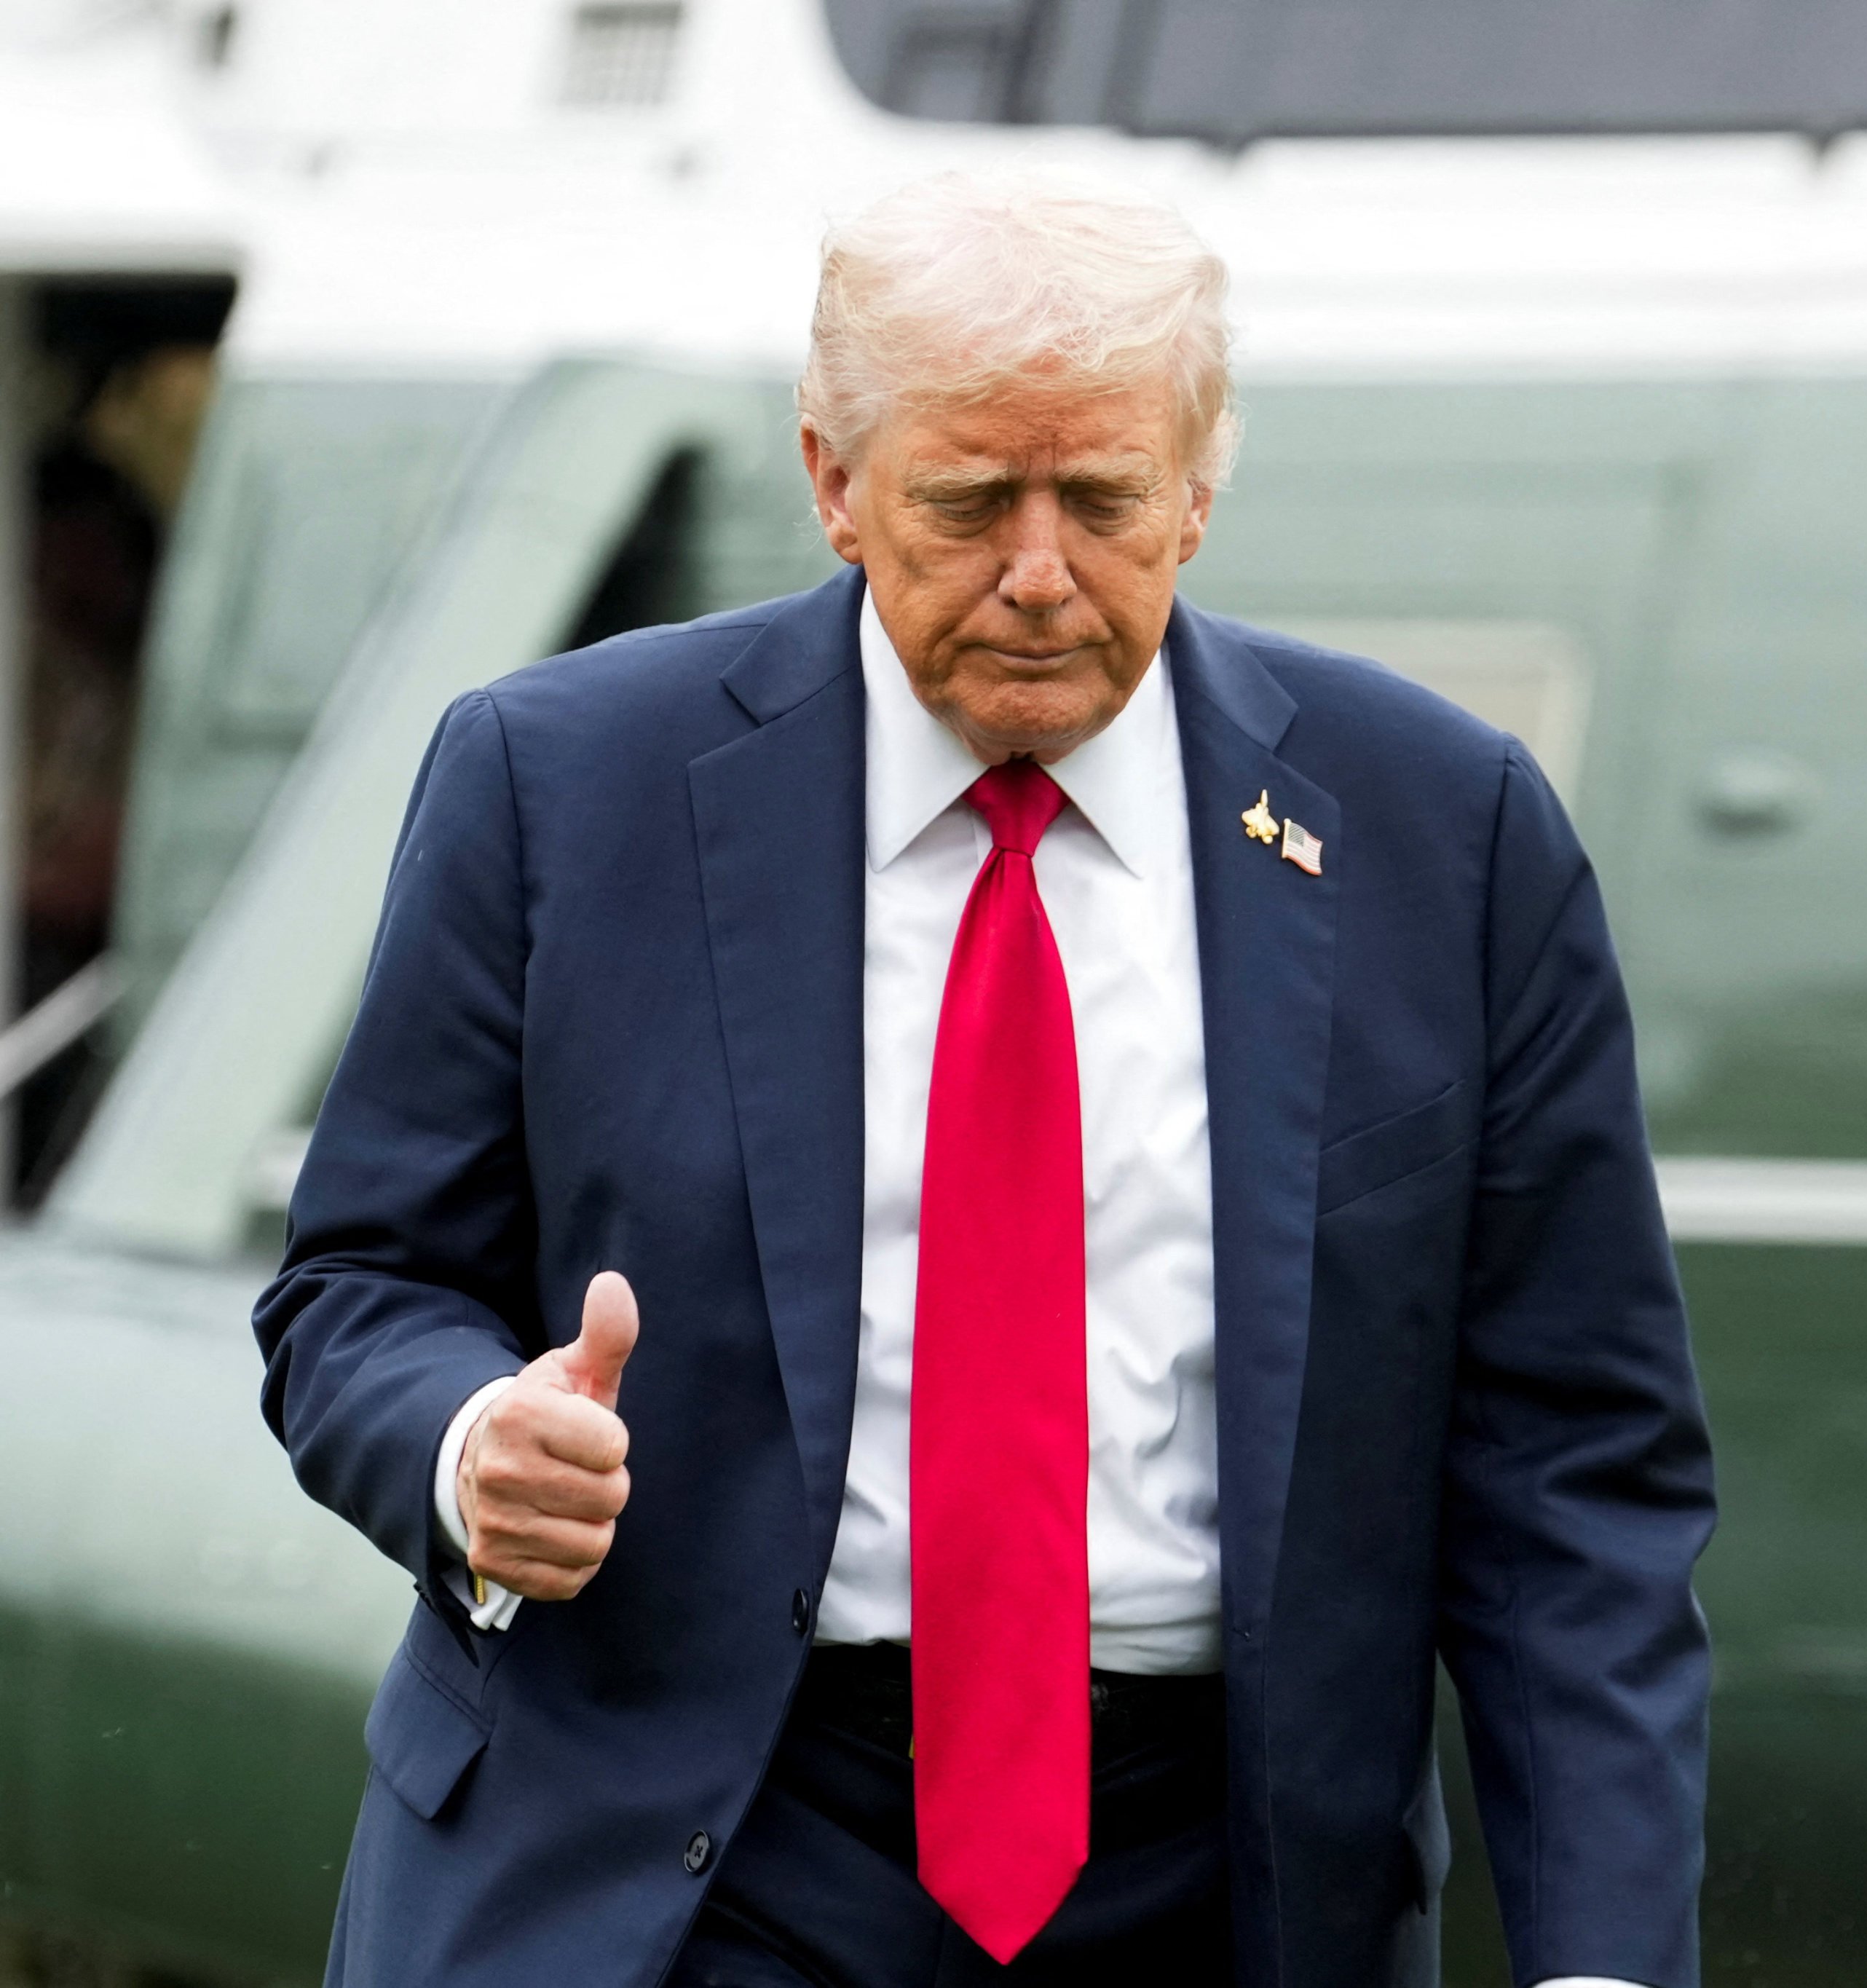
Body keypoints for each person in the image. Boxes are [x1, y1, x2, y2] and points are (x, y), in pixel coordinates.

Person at [252, 170, 1713, 1988]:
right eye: (966, 502)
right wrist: (473, 1447)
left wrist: (1599, 1966)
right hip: (687, 1855)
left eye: (1100, 501)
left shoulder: (1445, 834)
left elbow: (1574, 1470)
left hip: (1227, 1882)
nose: (1038, 573)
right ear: (834, 482)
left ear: (1197, 491)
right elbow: (356, 1293)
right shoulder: (558, 786)